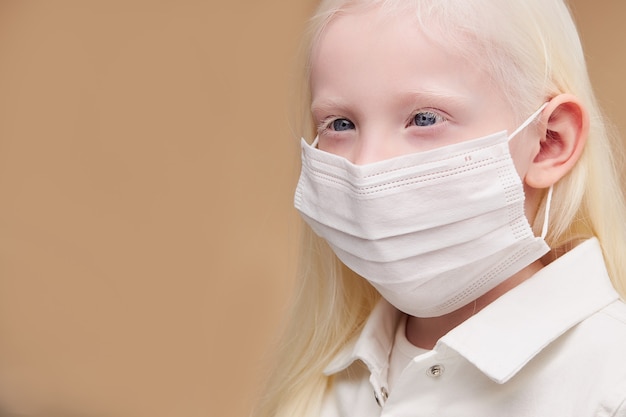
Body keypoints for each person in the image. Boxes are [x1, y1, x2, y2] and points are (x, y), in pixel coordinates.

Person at [255, 0, 626, 416]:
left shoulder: (611, 384)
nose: (366, 167)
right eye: (341, 124)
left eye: (425, 118)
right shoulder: (323, 386)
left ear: (548, 142)